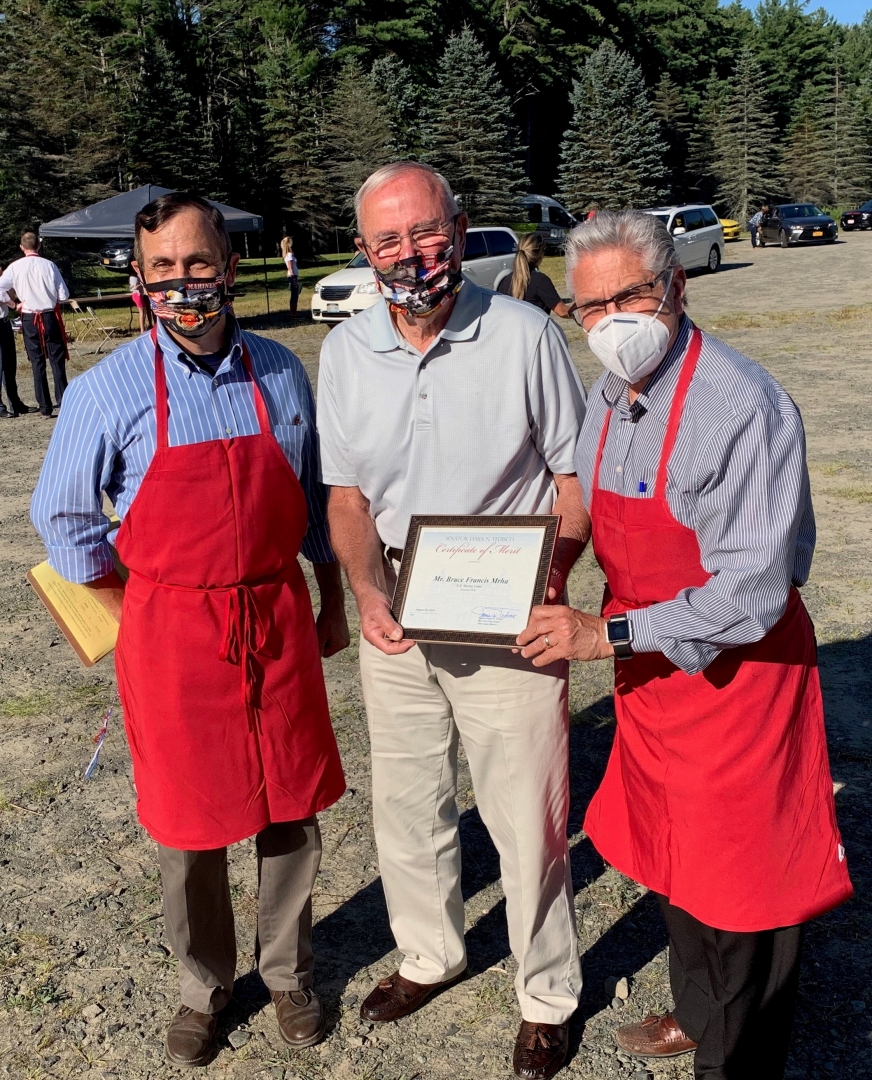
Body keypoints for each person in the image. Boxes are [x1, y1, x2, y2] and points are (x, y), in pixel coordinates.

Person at [517, 210, 853, 1080]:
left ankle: (738, 1056)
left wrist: (607, 632)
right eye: (590, 305)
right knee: (674, 861)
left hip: (739, 676)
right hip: (652, 674)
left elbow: (751, 589)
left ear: (677, 287)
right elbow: (591, 500)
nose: (611, 320)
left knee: (745, 887)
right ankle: (700, 1013)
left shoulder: (741, 406)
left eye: (631, 294)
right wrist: (550, 565)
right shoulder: (607, 395)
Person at [31, 193, 348, 1068]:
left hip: (275, 617)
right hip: (172, 632)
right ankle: (202, 990)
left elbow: (316, 502)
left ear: (232, 266)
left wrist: (331, 599)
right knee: (189, 825)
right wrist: (140, 604)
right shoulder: (106, 390)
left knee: (291, 810)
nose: (182, 283)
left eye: (197, 264)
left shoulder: (282, 370)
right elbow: (61, 518)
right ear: (139, 279)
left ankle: (288, 973)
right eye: (161, 269)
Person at [318, 161, 588, 1080]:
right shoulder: (347, 352)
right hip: (397, 607)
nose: (409, 254)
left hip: (506, 609)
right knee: (406, 801)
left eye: (425, 232)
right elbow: (348, 498)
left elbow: (573, 480)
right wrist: (366, 594)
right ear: (364, 249)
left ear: (460, 227)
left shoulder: (521, 335)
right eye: (388, 239)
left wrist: (550, 578)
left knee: (526, 814)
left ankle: (547, 991)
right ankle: (432, 954)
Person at [0, 232, 70, 418]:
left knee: (37, 361)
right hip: (49, 315)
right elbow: (64, 295)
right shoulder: (49, 265)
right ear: (38, 246)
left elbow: (0, 287)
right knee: (56, 359)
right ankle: (63, 399)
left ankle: (44, 406)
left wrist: (15, 305)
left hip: (30, 317)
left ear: (22, 247)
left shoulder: (15, 267)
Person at [497, 233, 570, 317]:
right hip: (536, 329)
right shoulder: (540, 281)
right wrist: (580, 310)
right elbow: (562, 311)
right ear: (540, 255)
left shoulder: (504, 282)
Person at [0, 271, 35, 417]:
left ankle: (15, 402)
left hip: (5, 322)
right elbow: (5, 299)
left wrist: (5, 284)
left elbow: (10, 295)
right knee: (0, 365)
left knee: (9, 365)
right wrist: (15, 306)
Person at [281, 235, 300, 314]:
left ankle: (293, 312)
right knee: (295, 294)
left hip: (292, 276)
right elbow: (290, 267)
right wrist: (294, 278)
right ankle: (293, 312)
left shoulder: (288, 254)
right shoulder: (289, 255)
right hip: (292, 276)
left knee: (294, 294)